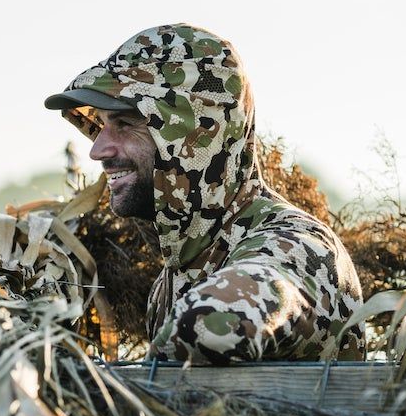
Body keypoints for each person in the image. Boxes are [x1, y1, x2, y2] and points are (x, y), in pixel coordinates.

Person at [44, 24, 362, 364]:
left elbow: (212, 323)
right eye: (102, 124)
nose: (98, 149)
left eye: (125, 123)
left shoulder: (297, 245)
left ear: (191, 134)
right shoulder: (172, 278)